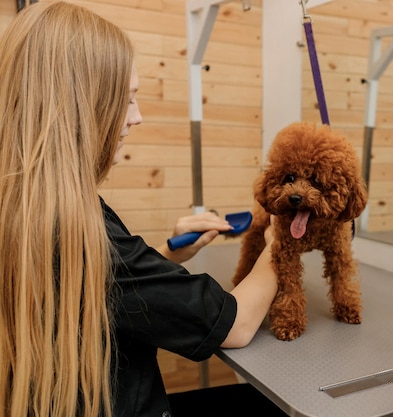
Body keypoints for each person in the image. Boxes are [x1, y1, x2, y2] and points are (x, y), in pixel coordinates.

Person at [0, 2, 284, 417]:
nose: (138, 117)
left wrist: (168, 258)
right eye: (127, 99)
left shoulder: (26, 204)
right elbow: (237, 325)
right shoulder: (79, 228)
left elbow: (105, 293)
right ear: (81, 105)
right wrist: (282, 242)